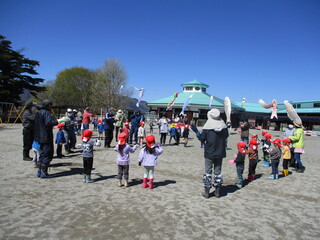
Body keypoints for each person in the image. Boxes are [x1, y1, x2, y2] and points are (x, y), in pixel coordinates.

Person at [191, 108, 229, 198]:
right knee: (218, 172)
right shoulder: (224, 127)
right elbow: (226, 136)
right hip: (220, 152)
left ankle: (207, 192)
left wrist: (196, 131)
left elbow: (202, 139)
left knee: (208, 171)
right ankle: (217, 191)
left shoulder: (207, 127)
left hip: (209, 152)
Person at [34, 99, 67, 178]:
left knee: (41, 154)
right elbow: (49, 123)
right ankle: (44, 172)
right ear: (48, 105)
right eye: (50, 105)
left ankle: (39, 170)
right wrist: (59, 121)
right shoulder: (46, 113)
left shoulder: (38, 113)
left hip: (39, 137)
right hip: (46, 137)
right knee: (47, 154)